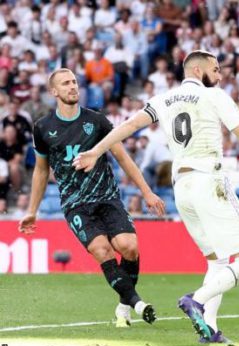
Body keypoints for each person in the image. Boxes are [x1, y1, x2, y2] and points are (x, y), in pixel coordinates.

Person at [72, 50, 239, 344]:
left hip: (181, 187)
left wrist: (95, 150)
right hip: (210, 179)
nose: (219, 76)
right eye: (216, 69)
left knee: (218, 260)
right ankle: (197, 299)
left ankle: (208, 328)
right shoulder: (215, 95)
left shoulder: (164, 99)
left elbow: (129, 126)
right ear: (197, 70)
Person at [18, 68, 165, 328]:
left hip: (107, 197)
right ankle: (138, 303)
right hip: (75, 205)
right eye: (65, 83)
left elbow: (122, 156)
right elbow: (41, 170)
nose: (73, 86)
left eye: (74, 82)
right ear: (54, 92)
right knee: (102, 250)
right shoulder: (43, 128)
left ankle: (123, 306)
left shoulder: (96, 121)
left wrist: (147, 192)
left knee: (129, 247)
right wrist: (32, 210)